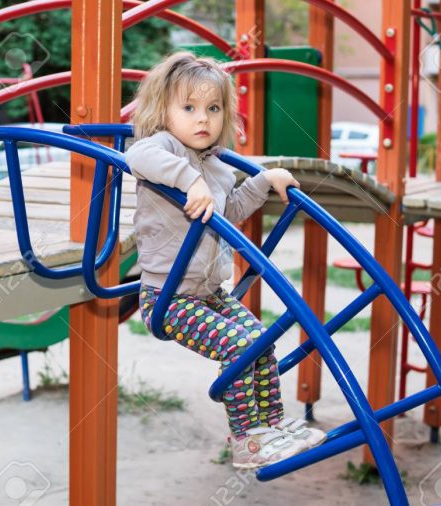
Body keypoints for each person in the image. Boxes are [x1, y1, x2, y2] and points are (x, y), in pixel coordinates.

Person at [125, 51, 326, 470]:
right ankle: (247, 442)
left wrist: (265, 180)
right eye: (190, 108)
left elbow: (229, 211)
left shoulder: (214, 166)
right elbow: (136, 157)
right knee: (240, 346)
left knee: (261, 339)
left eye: (213, 108)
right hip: (169, 298)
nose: (203, 119)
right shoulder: (161, 148)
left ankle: (271, 426)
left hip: (209, 293)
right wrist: (187, 177)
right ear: (164, 110)